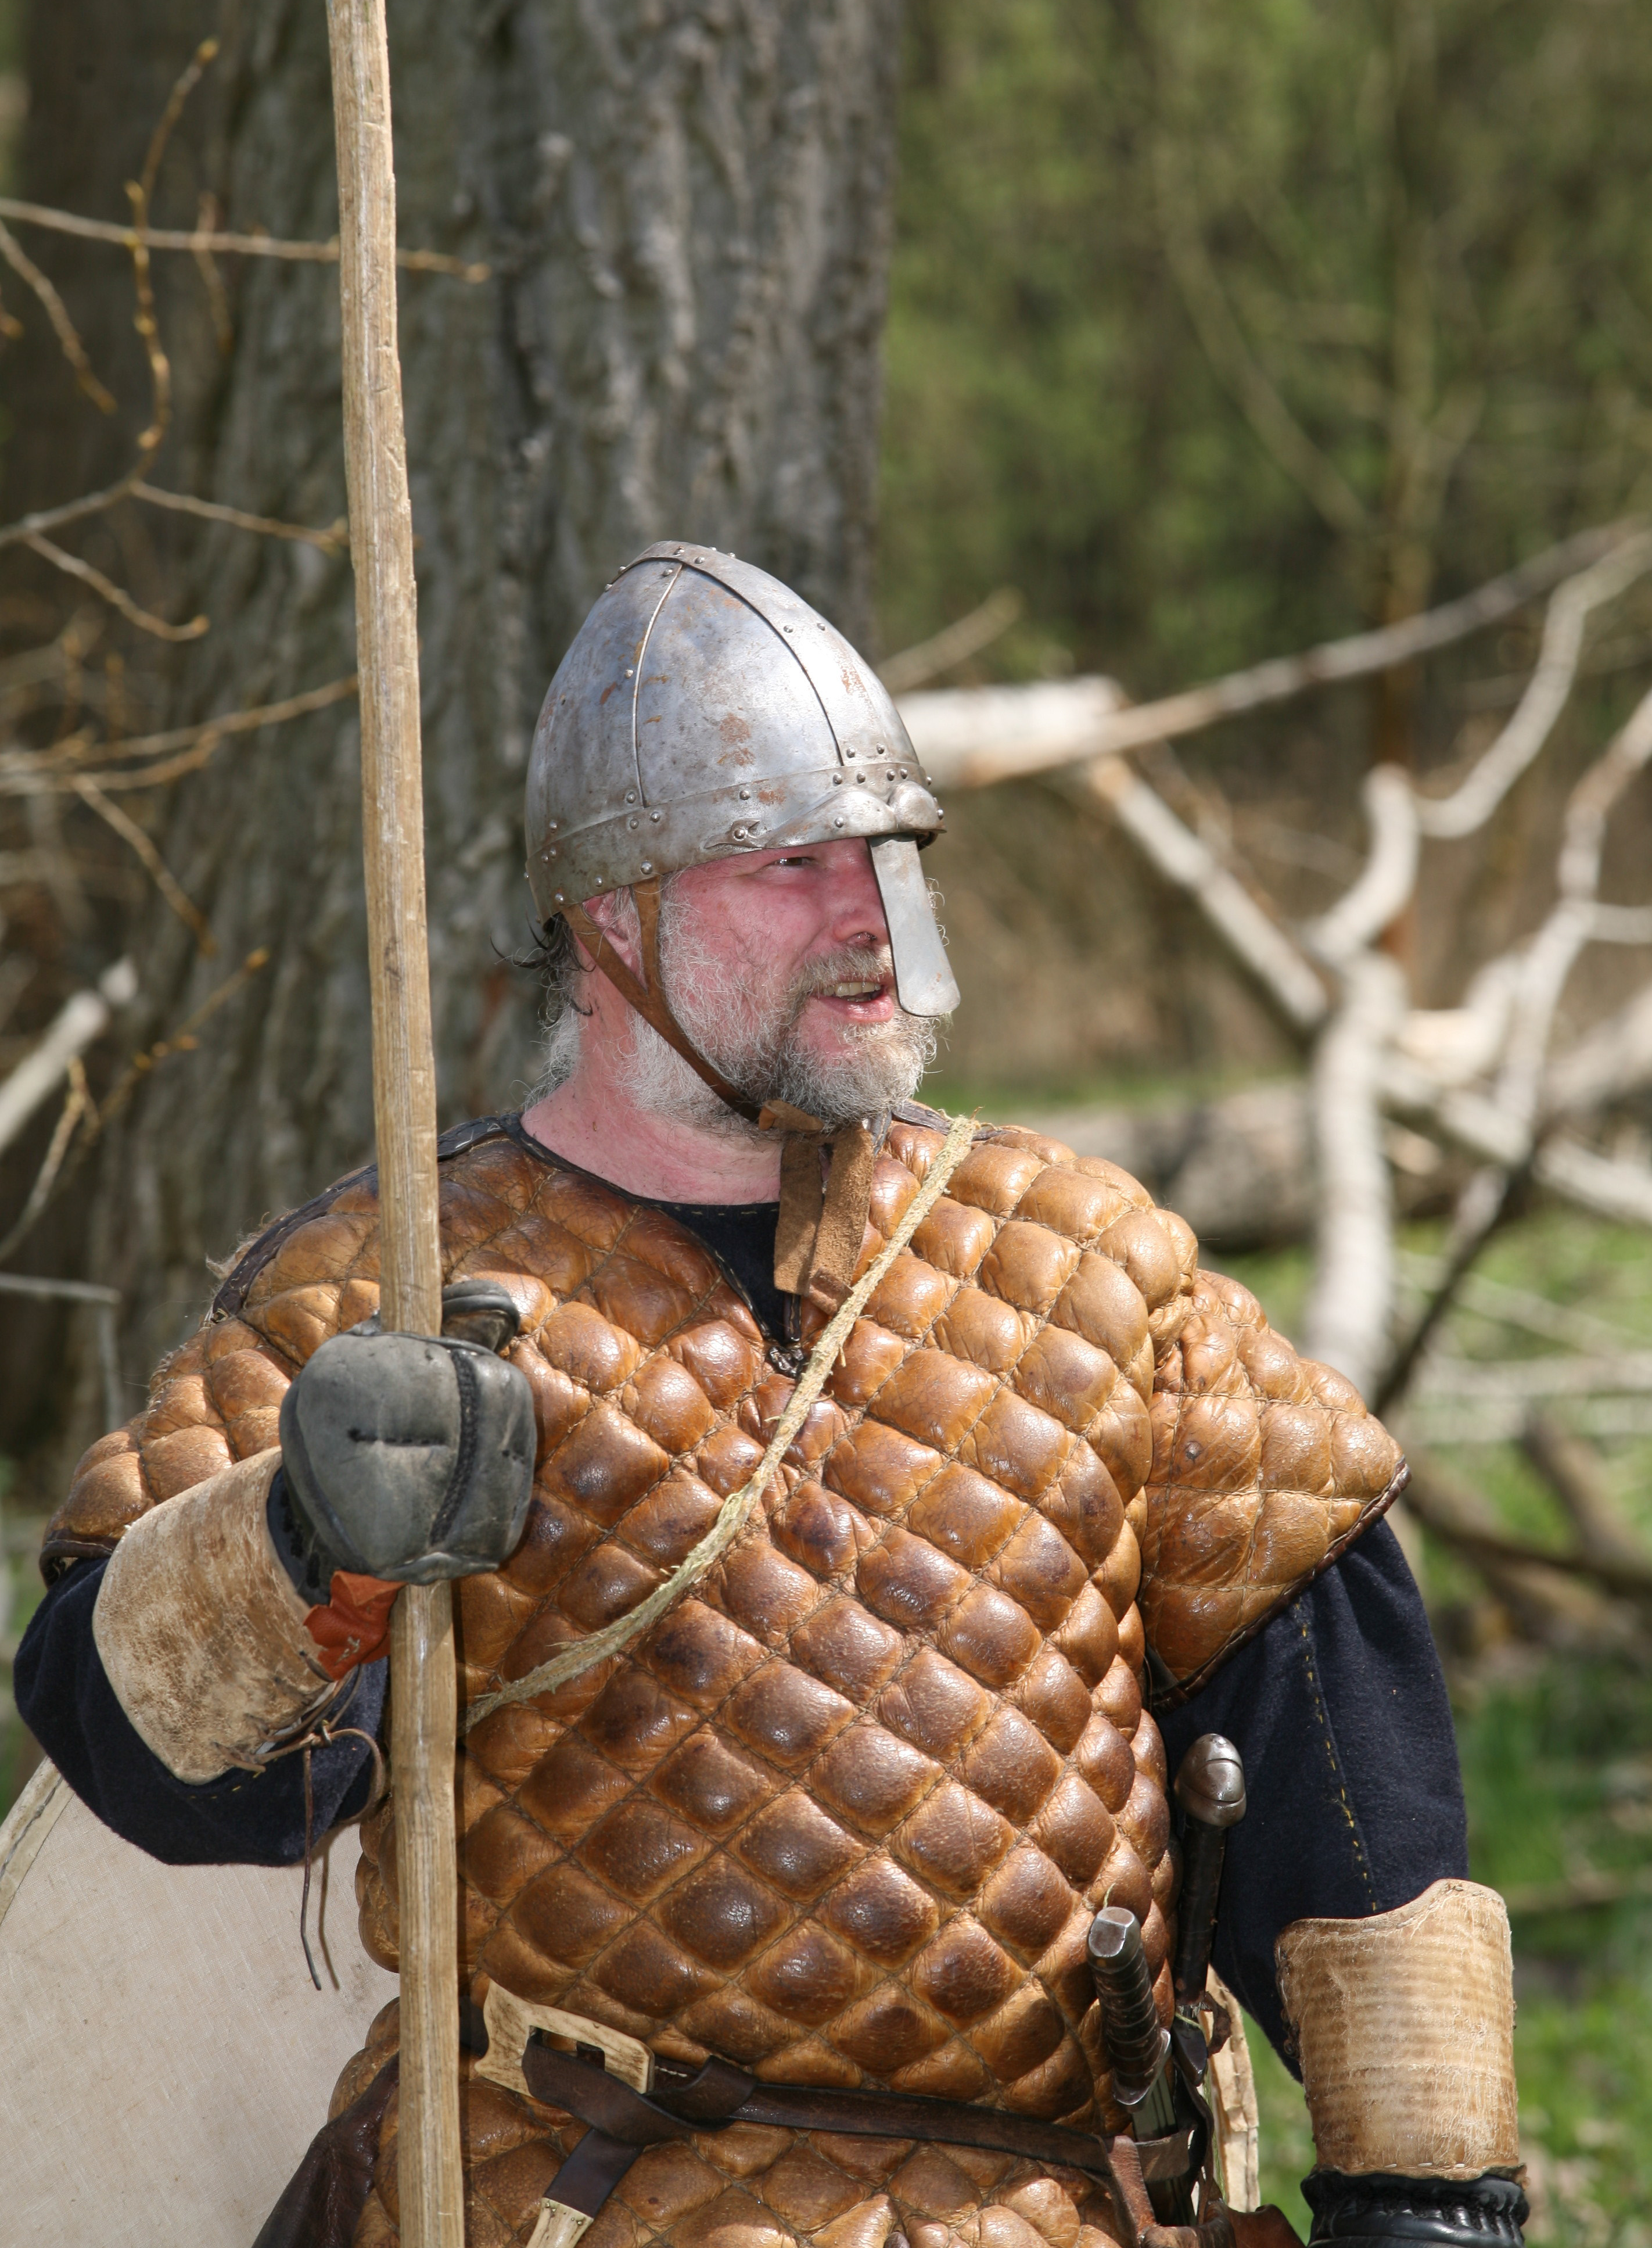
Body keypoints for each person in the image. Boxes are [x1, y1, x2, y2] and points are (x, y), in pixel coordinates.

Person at [17, 544, 1525, 2248]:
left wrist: (1427, 2198)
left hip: (1059, 2210)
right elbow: (120, 1742)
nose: (867, 914)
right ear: (617, 916)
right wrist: (303, 1545)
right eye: (793, 862)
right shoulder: (385, 1290)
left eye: (886, 853)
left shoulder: (1092, 1270)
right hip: (565, 2203)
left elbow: (1358, 1793)